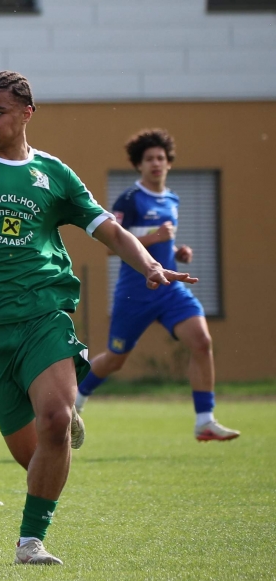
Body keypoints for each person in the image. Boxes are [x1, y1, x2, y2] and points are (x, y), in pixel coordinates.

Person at [0, 71, 195, 566]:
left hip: (43, 313)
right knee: (34, 452)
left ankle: (30, 542)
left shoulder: (53, 173)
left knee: (54, 424)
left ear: (27, 113)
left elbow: (109, 231)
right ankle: (56, 427)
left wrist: (151, 265)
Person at [76, 129, 239, 441]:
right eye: (149, 158)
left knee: (202, 342)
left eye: (160, 158)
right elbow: (111, 247)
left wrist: (177, 252)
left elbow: (162, 243)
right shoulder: (129, 199)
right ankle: (76, 399)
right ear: (139, 164)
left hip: (169, 289)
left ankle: (205, 420)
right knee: (115, 359)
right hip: (134, 293)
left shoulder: (172, 199)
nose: (155, 163)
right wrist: (155, 237)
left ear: (169, 163)